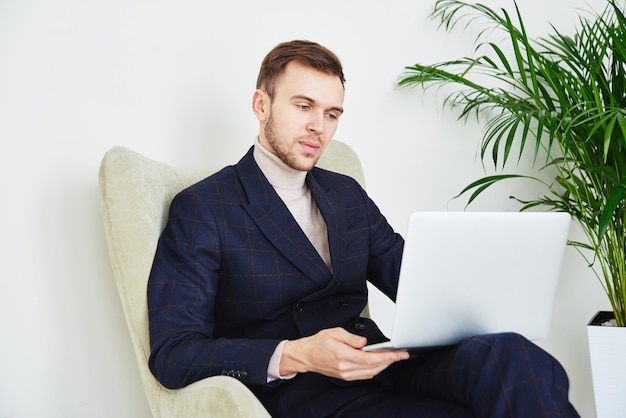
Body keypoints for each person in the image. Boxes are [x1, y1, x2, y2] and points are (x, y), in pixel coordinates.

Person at [147, 40, 580, 417]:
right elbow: (174, 353)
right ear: (262, 105)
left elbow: (413, 280)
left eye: (332, 113)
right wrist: (297, 355)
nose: (319, 126)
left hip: (382, 360)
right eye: (304, 106)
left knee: (518, 360)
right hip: (308, 392)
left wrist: (490, 290)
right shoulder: (205, 207)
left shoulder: (345, 194)